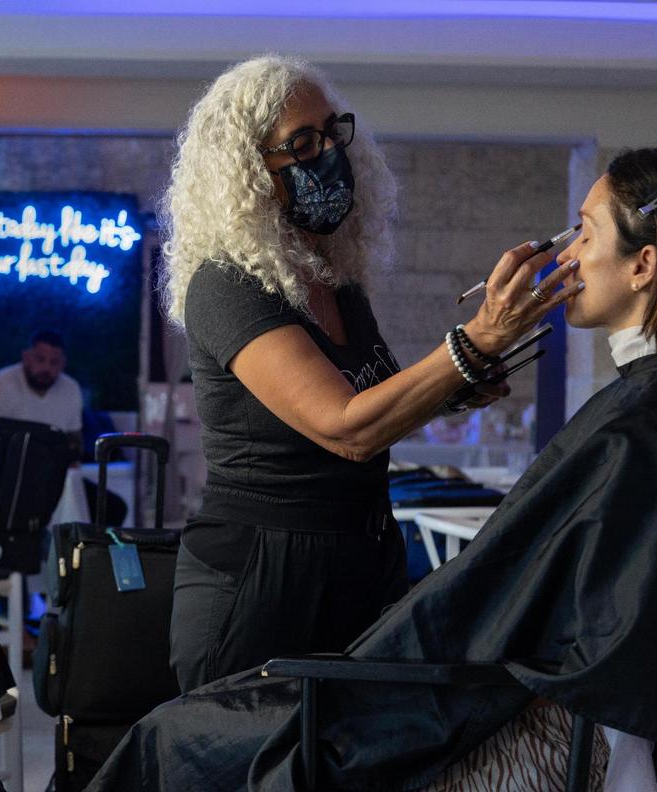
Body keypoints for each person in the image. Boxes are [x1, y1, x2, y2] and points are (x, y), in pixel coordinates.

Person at [89, 148, 657, 791]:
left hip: (540, 733)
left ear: (645, 264)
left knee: (175, 742)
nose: (566, 257)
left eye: (585, 233)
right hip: (601, 731)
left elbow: (460, 605)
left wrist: (361, 670)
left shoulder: (641, 430)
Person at [159, 55, 576, 696]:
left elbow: (368, 399)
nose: (329, 153)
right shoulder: (227, 285)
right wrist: (476, 340)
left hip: (361, 551)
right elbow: (345, 427)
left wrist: (448, 387)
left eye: (332, 132)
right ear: (248, 171)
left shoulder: (335, 280)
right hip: (263, 574)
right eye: (302, 143)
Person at [0, 330, 83, 458]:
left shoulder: (71, 389)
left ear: (63, 364)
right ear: (26, 357)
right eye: (40, 359)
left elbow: (75, 440)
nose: (46, 368)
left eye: (54, 362)